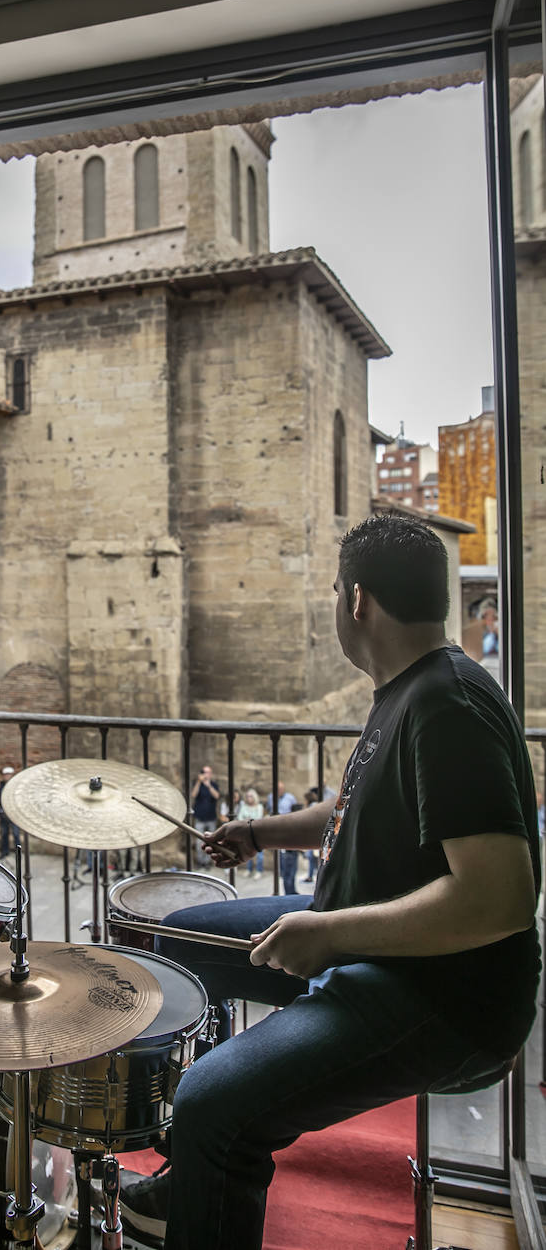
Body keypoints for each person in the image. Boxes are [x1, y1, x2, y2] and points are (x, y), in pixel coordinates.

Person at [119, 515, 540, 1250]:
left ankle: (215, 1142)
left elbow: (500, 898)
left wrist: (330, 932)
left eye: (338, 588)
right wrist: (260, 834)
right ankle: (191, 1178)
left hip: (445, 1000)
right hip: (372, 943)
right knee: (181, 942)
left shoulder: (450, 706)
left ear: (356, 602)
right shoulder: (407, 688)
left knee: (212, 1100)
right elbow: (357, 807)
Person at [189, 765, 220, 867]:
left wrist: (208, 785)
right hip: (200, 817)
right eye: (204, 772)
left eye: (208, 772)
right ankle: (200, 861)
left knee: (211, 841)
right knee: (199, 841)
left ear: (211, 774)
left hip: (211, 817)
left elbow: (217, 796)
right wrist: (199, 782)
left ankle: (207, 862)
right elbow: (193, 795)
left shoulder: (214, 785)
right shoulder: (197, 784)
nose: (206, 774)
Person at [276, 780, 301, 894]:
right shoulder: (272, 797)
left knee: (291, 867)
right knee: (285, 868)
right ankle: (288, 892)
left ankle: (291, 891)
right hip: (279, 834)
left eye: (280, 789)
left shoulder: (290, 798)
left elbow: (297, 812)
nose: (279, 791)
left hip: (290, 831)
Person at [0, 765, 22, 860]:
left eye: (8, 774)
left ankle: (18, 853)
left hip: (13, 813)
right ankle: (4, 852)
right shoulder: (0, 784)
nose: (7, 776)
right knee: (4, 833)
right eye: (5, 774)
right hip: (3, 813)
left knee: (15, 833)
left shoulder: (15, 785)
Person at [241, 789, 265, 878]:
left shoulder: (259, 807)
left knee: (259, 854)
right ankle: (249, 869)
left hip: (257, 833)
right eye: (247, 796)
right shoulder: (244, 806)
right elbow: (240, 817)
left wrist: (247, 819)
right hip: (247, 832)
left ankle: (259, 870)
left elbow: (258, 818)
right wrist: (249, 819)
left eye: (250, 796)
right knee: (248, 852)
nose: (249, 798)